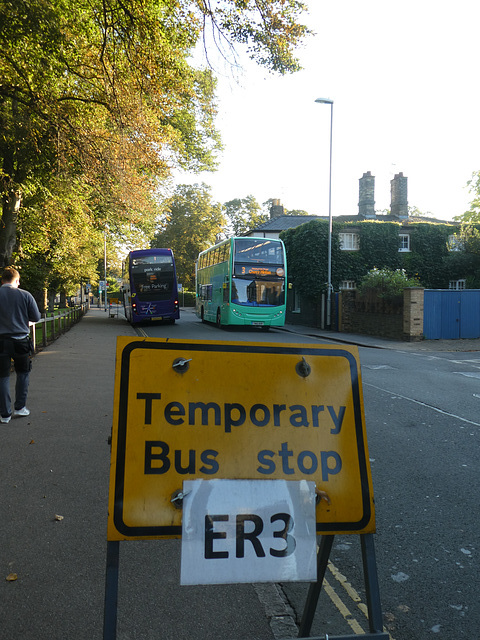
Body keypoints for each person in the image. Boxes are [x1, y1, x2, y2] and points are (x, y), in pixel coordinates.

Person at [0, 267, 41, 424]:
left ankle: (4, 414)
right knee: (23, 373)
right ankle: (20, 407)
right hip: (21, 341)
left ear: (2, 280)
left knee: (2, 377)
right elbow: (35, 317)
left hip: (1, 341)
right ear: (16, 281)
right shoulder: (25, 295)